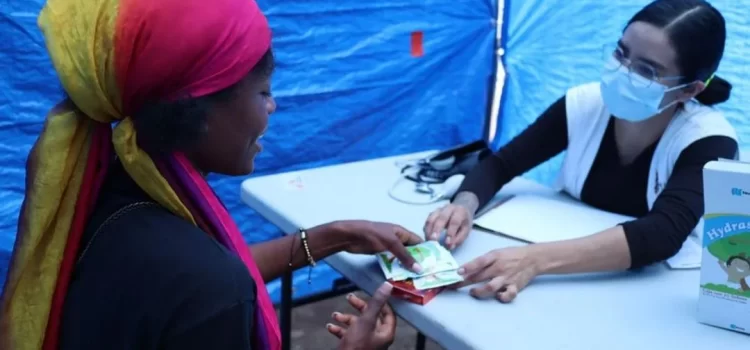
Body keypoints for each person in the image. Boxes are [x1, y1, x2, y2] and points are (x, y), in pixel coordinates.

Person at [0, 0, 418, 349]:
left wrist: (336, 235)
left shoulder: (103, 191)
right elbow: (211, 282)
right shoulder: (211, 290)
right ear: (197, 112)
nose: (271, 107)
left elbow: (201, 275)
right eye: (263, 92)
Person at [424, 0, 738, 302]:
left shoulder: (709, 140)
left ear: (690, 89)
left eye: (647, 71)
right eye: (620, 53)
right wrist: (464, 205)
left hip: (649, 297)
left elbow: (662, 235)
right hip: (563, 286)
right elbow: (501, 164)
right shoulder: (584, 105)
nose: (622, 72)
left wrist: (534, 260)